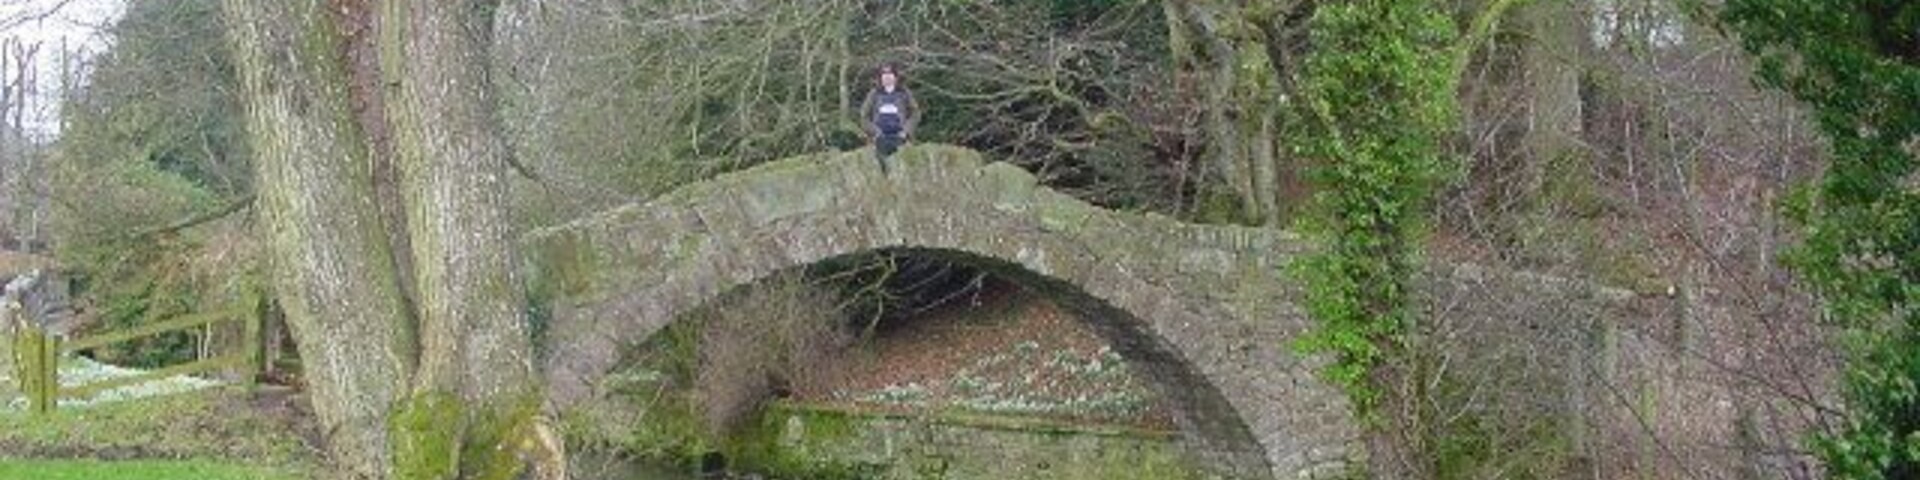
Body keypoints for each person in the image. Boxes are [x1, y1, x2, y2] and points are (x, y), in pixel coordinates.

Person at [860, 63, 920, 174]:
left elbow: (915, 113)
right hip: (880, 138)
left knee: (904, 169)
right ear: (880, 78)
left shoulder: (904, 93)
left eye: (890, 74)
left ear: (896, 77)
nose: (887, 77)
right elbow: (864, 116)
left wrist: (906, 131)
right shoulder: (874, 94)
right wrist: (875, 132)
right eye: (884, 75)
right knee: (881, 170)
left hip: (901, 137)